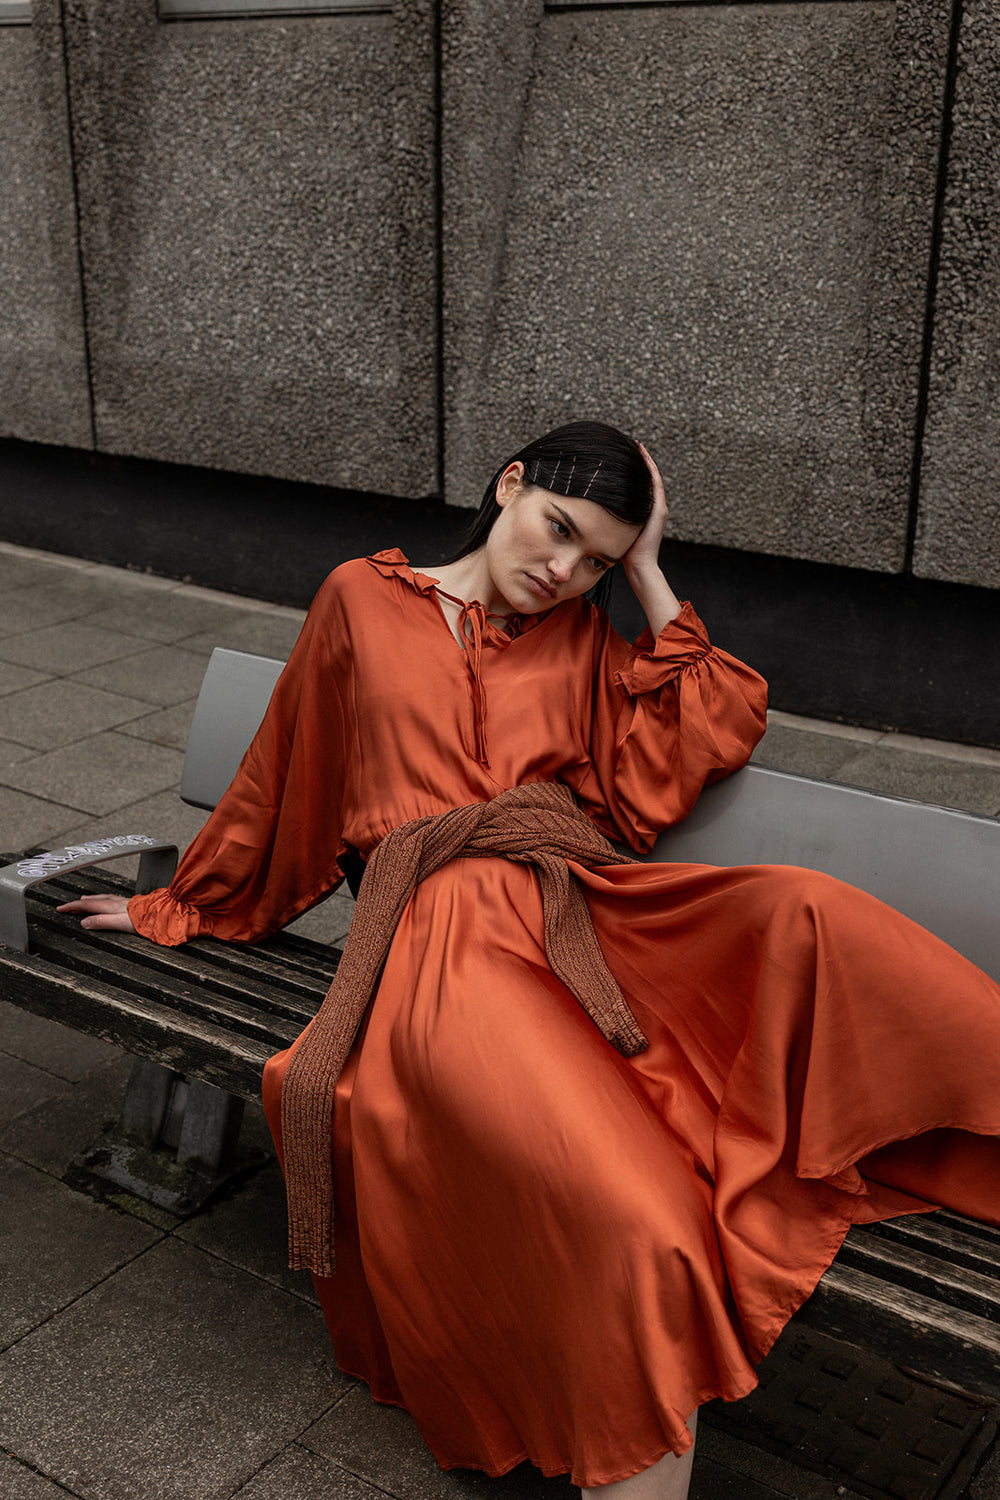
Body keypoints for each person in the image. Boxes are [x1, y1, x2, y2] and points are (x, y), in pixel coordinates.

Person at [60, 422, 1000, 1500]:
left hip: (586, 905)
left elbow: (710, 724)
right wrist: (178, 904)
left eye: (594, 559)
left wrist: (645, 575)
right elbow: (284, 779)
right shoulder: (360, 601)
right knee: (640, 1220)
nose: (563, 572)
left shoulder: (585, 639)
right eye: (559, 531)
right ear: (508, 484)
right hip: (445, 939)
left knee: (805, 909)